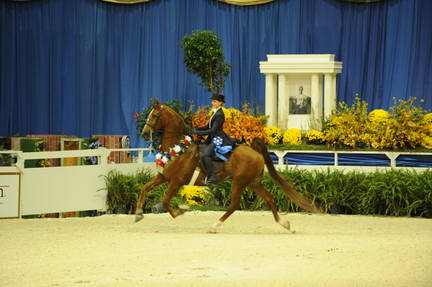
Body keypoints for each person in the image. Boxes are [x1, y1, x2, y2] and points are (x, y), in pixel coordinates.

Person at [191, 94, 235, 185]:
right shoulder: (215, 112)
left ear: (220, 103)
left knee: (205, 155)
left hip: (218, 138)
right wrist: (196, 129)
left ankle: (212, 176)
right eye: (212, 101)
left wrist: (198, 133)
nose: (212, 103)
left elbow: (213, 130)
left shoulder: (219, 114)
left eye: (214, 101)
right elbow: (208, 126)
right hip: (213, 137)